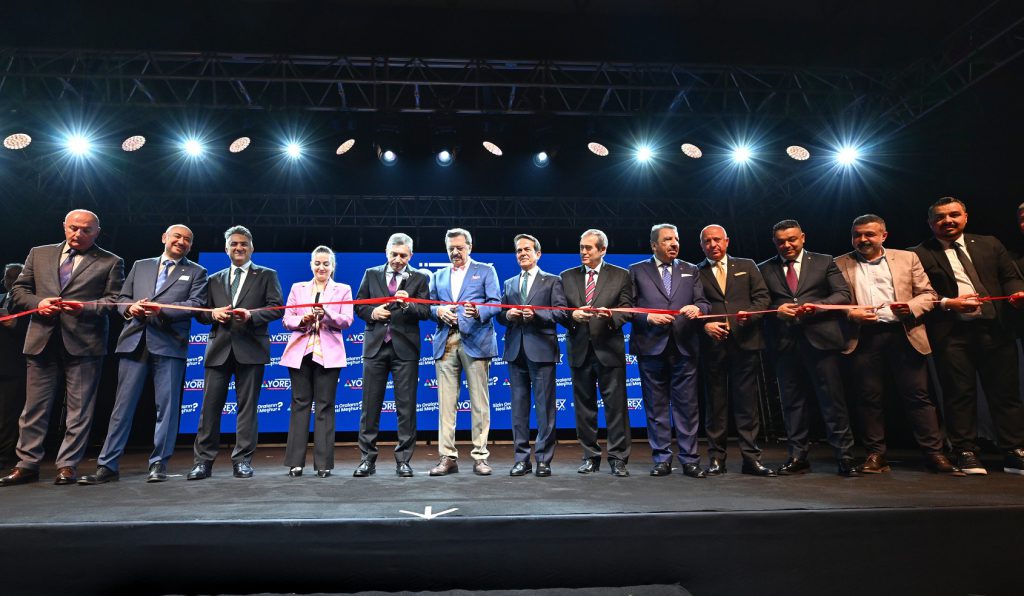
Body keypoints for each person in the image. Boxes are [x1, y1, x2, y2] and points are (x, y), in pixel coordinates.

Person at [0, 209, 125, 487]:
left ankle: (67, 465)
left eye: (86, 230)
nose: (78, 234)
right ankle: (27, 464)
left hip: (84, 344)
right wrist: (38, 303)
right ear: (64, 226)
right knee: (34, 408)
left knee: (79, 411)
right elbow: (19, 291)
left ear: (97, 232)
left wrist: (85, 308)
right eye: (73, 228)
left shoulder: (111, 261)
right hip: (41, 341)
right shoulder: (39, 253)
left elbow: (114, 300)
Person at [80, 225, 209, 485]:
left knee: (167, 409)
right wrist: (131, 309)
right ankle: (107, 465)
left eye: (187, 239)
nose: (181, 241)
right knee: (122, 407)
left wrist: (161, 309)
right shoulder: (141, 265)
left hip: (169, 344)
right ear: (164, 238)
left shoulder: (197, 271)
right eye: (177, 236)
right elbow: (123, 298)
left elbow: (196, 305)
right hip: (134, 341)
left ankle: (159, 464)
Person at [835, 214, 958, 474]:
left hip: (904, 333)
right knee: (868, 398)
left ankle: (934, 454)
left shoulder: (907, 258)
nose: (863, 239)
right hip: (864, 337)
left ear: (884, 236)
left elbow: (928, 294)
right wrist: (851, 313)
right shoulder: (839, 263)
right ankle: (875, 455)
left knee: (918, 396)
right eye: (857, 235)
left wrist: (910, 307)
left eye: (869, 234)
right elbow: (835, 301)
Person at [912, 197, 1024, 475]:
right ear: (930, 223)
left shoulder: (989, 243)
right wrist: (948, 303)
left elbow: (1009, 276)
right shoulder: (918, 253)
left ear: (965, 217)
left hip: (995, 330)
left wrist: (1016, 293)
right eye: (940, 217)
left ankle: (1013, 450)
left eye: (953, 215)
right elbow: (918, 294)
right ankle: (965, 451)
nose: (947, 220)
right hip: (952, 334)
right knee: (958, 395)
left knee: (1006, 394)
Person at [758, 219, 860, 477]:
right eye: (781, 241)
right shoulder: (764, 268)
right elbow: (760, 303)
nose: (787, 245)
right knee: (792, 403)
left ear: (802, 237)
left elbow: (843, 294)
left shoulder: (824, 261)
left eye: (792, 239)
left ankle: (845, 457)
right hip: (784, 343)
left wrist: (818, 306)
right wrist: (776, 310)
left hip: (822, 341)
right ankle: (797, 457)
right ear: (774, 242)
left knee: (832, 401)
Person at [187, 225, 284, 480]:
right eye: (234, 244)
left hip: (251, 349)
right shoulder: (213, 279)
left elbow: (277, 308)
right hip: (218, 350)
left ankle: (242, 461)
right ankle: (203, 462)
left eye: (243, 244)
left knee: (247, 408)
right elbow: (201, 313)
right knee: (209, 409)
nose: (238, 248)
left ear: (251, 248)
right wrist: (212, 314)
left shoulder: (267, 275)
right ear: (226, 249)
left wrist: (252, 315)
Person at [629, 224, 710, 478]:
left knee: (687, 407)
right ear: (654, 245)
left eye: (676, 239)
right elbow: (626, 307)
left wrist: (699, 310)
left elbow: (703, 302)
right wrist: (647, 317)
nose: (674, 243)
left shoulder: (691, 269)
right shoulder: (636, 270)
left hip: (684, 347)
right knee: (656, 407)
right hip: (650, 347)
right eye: (667, 240)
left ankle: (690, 460)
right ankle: (662, 459)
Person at [696, 225, 775, 477]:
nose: (713, 244)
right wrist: (704, 325)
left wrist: (750, 314)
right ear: (702, 245)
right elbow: (692, 307)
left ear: (727, 241)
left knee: (747, 404)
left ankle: (751, 459)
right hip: (713, 346)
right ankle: (716, 459)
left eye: (717, 239)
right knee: (715, 405)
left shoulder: (747, 265)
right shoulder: (695, 271)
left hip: (745, 342)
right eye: (707, 241)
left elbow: (763, 298)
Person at [354, 233, 430, 477]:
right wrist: (372, 313)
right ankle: (367, 459)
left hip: (405, 349)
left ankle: (404, 460)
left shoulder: (419, 278)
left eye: (403, 256)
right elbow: (359, 305)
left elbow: (425, 311)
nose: (398, 259)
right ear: (386, 252)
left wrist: (408, 304)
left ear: (411, 256)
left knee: (406, 408)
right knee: (370, 407)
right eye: (394, 254)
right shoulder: (371, 274)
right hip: (375, 347)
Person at [560, 229, 634, 477]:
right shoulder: (566, 276)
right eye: (581, 247)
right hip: (579, 349)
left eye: (589, 248)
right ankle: (590, 456)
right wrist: (572, 316)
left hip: (609, 348)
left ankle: (618, 458)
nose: (583, 251)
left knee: (616, 407)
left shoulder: (621, 275)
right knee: (584, 407)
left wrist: (611, 316)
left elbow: (628, 309)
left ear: (602, 250)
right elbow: (559, 311)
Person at [428, 228, 501, 476]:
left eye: (459, 247)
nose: (455, 252)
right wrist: (438, 311)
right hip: (446, 341)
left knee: (479, 403)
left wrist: (478, 311)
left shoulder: (486, 270)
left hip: (476, 340)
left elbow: (496, 303)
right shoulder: (438, 275)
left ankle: (480, 456)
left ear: (469, 247)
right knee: (446, 404)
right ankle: (447, 457)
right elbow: (430, 306)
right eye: (451, 248)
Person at [279, 246, 353, 478]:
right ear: (311, 265)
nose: (322, 267)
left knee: (325, 406)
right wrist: (304, 319)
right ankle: (295, 463)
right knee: (300, 405)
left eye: (326, 264)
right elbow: (287, 320)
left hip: (328, 355)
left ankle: (323, 464)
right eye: (317, 263)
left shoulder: (343, 289)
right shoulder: (297, 288)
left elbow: (347, 320)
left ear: (333, 266)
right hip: (300, 353)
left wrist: (327, 314)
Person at [497, 234, 567, 477]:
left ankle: (543, 460)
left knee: (545, 410)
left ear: (538, 254)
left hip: (542, 350)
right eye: (518, 250)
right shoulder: (509, 283)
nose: (522, 254)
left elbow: (561, 314)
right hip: (515, 351)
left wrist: (536, 314)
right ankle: (521, 459)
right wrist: (508, 315)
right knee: (518, 409)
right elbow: (500, 314)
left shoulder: (553, 281)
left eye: (527, 249)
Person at [0, 263, 27, 470]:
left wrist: (16, 325)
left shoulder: (28, 302)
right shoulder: (1, 299)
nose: (12, 281)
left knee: (8, 413)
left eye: (17, 277)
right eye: (9, 277)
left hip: (15, 365)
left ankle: (3, 455)